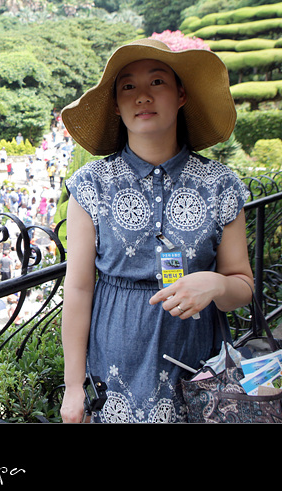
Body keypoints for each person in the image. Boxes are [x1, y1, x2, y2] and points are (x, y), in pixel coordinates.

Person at [59, 38, 254, 423]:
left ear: (181, 95)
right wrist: (73, 386)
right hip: (114, 370)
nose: (142, 96)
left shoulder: (220, 185)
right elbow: (79, 288)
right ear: (117, 106)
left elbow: (242, 287)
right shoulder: (91, 185)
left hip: (198, 366)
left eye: (157, 82)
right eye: (128, 86)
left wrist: (216, 284)